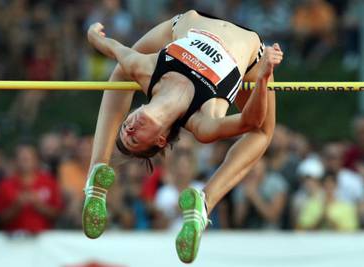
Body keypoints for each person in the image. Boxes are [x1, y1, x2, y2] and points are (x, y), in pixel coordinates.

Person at [83, 10, 282, 263]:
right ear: (160, 140)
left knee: (121, 73)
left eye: (124, 128)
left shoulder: (145, 69)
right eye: (134, 138)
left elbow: (111, 47)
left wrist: (94, 36)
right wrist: (263, 78)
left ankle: (96, 171)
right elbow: (251, 121)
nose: (130, 128)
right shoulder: (203, 121)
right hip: (252, 54)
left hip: (189, 21)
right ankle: (204, 202)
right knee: (264, 132)